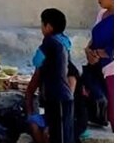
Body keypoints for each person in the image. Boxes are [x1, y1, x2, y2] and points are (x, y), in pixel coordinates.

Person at [25, 8, 75, 143]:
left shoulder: (49, 41)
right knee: (61, 134)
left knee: (60, 136)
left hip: (58, 97)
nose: (41, 28)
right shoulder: (64, 41)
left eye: (42, 24)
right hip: (62, 97)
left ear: (48, 27)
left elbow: (37, 60)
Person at [84, 0, 114, 128]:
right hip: (94, 63)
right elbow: (94, 36)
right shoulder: (102, 14)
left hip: (110, 68)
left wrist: (97, 54)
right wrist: (88, 50)